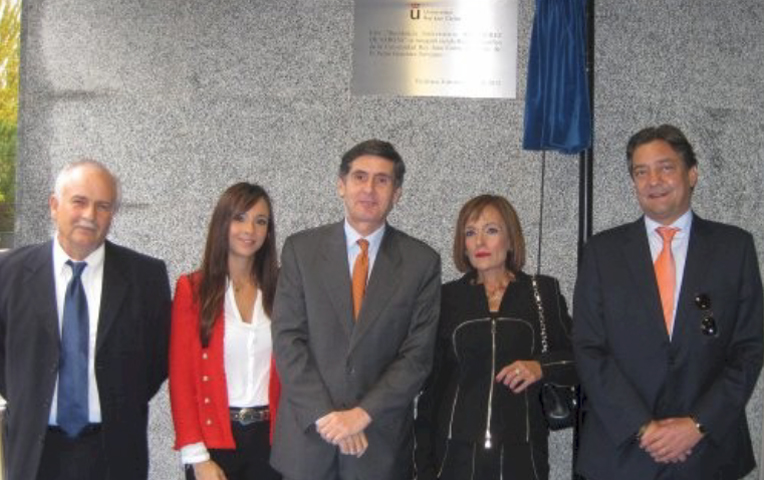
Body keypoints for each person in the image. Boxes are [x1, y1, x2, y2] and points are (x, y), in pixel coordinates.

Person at [572, 124, 764, 480]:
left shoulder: (734, 248)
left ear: (692, 174)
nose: (653, 180)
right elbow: (588, 347)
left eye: (665, 167)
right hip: (622, 452)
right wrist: (642, 428)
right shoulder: (602, 252)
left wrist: (698, 424)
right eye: (640, 172)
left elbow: (749, 348)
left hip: (708, 453)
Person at [270, 139, 441, 480]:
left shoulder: (421, 262)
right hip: (309, 442)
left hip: (378, 443)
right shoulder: (301, 251)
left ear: (397, 194)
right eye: (360, 177)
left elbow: (417, 356)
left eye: (382, 180)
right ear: (341, 185)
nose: (369, 188)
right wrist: (327, 417)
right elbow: (288, 339)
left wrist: (360, 415)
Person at [0, 159, 171, 480]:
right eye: (79, 201)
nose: (90, 216)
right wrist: (29, 394)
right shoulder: (8, 273)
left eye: (103, 206)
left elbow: (156, 361)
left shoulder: (145, 277)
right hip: (35, 452)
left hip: (113, 452)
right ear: (54, 205)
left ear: (112, 215)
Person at [414, 194, 577, 480]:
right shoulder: (446, 298)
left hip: (521, 455)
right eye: (470, 233)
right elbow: (431, 388)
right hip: (453, 455)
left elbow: (580, 360)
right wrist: (422, 464)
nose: (479, 242)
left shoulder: (542, 293)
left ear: (511, 239)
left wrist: (541, 367)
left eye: (491, 230)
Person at [169, 182, 282, 480]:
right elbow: (182, 379)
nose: (250, 229)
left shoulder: (283, 290)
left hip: (272, 441)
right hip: (214, 440)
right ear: (223, 223)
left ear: (268, 232)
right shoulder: (192, 289)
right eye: (240, 218)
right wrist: (196, 457)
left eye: (261, 221)